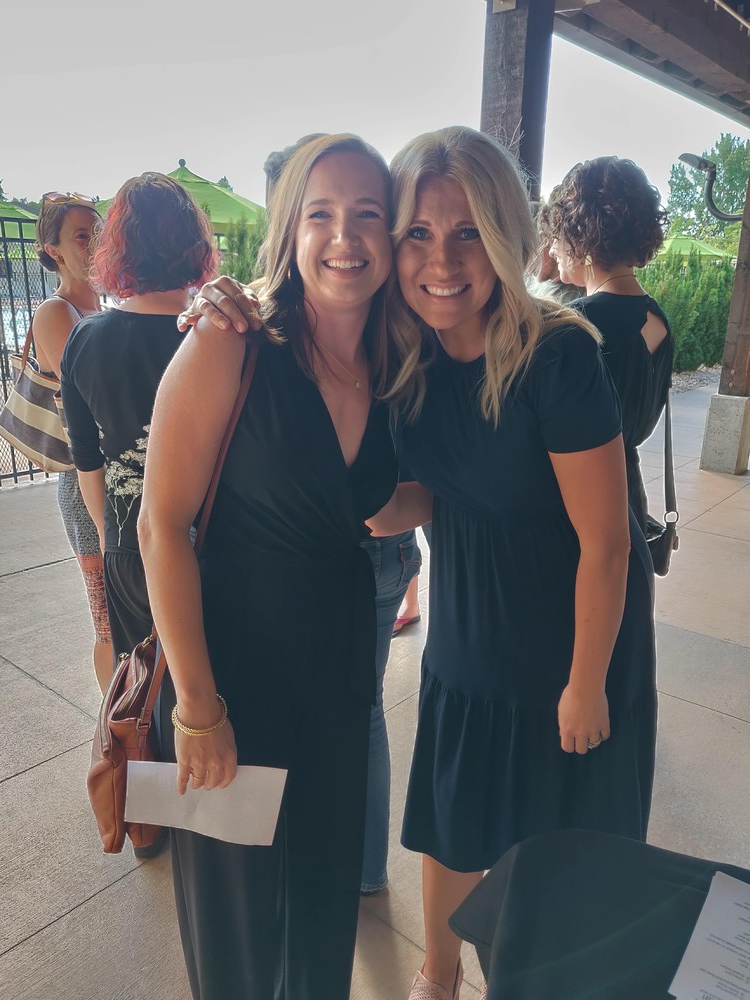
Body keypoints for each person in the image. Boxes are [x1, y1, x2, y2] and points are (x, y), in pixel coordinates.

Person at [190, 126, 658, 1000]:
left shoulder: (556, 354)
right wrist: (233, 301)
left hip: (571, 641)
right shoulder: (407, 355)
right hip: (468, 632)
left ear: (505, 234)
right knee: (452, 820)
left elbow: (608, 542)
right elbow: (427, 495)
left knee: (559, 852)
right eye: (418, 233)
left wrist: (586, 683)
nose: (442, 260)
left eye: (468, 231)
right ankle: (438, 977)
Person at [137, 134, 397, 1000]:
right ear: (290, 230)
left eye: (367, 215)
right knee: (240, 932)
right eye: (321, 214)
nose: (344, 237)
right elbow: (160, 527)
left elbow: (378, 503)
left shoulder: (396, 359)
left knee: (324, 904)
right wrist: (197, 707)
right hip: (231, 677)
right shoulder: (232, 341)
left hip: (337, 673)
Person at [59, 172, 216, 703]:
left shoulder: (86, 339)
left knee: (144, 695)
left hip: (129, 541)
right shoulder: (218, 334)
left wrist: (113, 542)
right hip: (219, 538)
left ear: (117, 247)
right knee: (219, 693)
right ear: (195, 243)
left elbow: (89, 463)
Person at [539, 156, 674, 532]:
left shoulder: (573, 323)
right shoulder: (658, 318)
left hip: (571, 507)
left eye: (556, 236)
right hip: (628, 499)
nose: (551, 249)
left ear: (580, 238)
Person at [32, 193, 113, 694]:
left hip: (125, 474)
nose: (96, 244)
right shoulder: (56, 312)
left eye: (100, 233)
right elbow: (94, 402)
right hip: (87, 482)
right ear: (53, 250)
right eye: (83, 236)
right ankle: (119, 727)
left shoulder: (107, 309)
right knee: (109, 620)